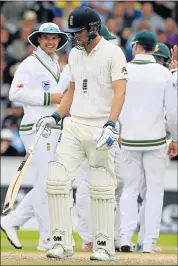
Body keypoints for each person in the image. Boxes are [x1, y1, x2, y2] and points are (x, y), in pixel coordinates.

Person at [34, 6, 128, 261]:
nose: (75, 37)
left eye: (80, 32)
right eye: (73, 32)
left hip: (101, 126)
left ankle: (104, 246)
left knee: (101, 186)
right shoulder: (74, 55)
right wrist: (55, 116)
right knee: (56, 180)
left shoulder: (113, 53)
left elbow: (120, 92)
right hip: (74, 124)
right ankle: (62, 244)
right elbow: (71, 93)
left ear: (94, 29)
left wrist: (112, 124)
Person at [1, 23, 68, 251]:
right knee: (44, 184)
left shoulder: (56, 63)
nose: (50, 42)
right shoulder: (30, 63)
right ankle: (47, 239)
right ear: (38, 40)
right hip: (36, 128)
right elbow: (14, 93)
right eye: (46, 38)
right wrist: (49, 97)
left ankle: (12, 220)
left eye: (54, 38)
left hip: (52, 128)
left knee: (48, 184)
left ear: (58, 40)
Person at [118, 31, 177, 253]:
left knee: (130, 190)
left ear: (135, 46)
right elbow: (172, 112)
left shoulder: (123, 70)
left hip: (129, 138)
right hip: (156, 139)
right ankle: (148, 243)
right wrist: (177, 138)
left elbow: (116, 102)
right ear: (154, 50)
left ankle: (124, 237)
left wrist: (120, 128)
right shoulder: (164, 74)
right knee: (154, 190)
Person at [136, 42, 177, 252]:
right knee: (146, 193)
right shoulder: (161, 77)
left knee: (147, 194)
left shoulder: (166, 78)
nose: (160, 64)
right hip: (149, 141)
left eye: (163, 61)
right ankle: (141, 241)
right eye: (158, 59)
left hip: (157, 140)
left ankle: (143, 240)